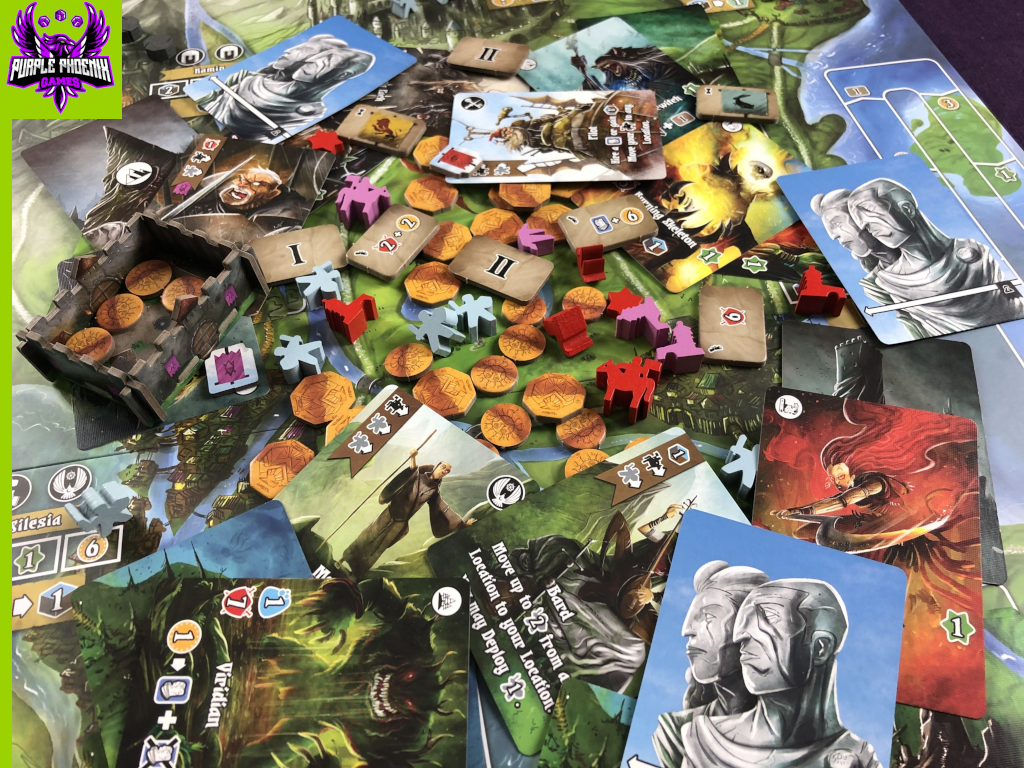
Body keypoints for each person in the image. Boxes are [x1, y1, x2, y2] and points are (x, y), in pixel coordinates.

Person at [679, 579, 881, 768]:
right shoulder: (701, 740)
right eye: (745, 620)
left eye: (767, 617)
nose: (740, 636)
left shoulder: (858, 758)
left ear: (820, 647)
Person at [653, 561, 769, 767]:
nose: (686, 630)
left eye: (707, 616)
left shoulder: (794, 736)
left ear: (748, 627)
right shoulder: (675, 732)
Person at [198, 35, 375, 141]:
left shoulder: (306, 109)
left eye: (326, 60)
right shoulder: (248, 78)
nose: (311, 60)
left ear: (342, 74)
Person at [342, 449, 470, 579]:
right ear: (436, 467)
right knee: (368, 535)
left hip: (400, 522)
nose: (444, 471)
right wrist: (413, 457)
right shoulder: (417, 476)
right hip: (390, 512)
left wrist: (461, 523)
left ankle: (357, 573)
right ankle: (345, 558)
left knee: (379, 547)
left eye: (447, 471)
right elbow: (413, 469)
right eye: (443, 467)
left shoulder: (434, 492)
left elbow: (443, 507)